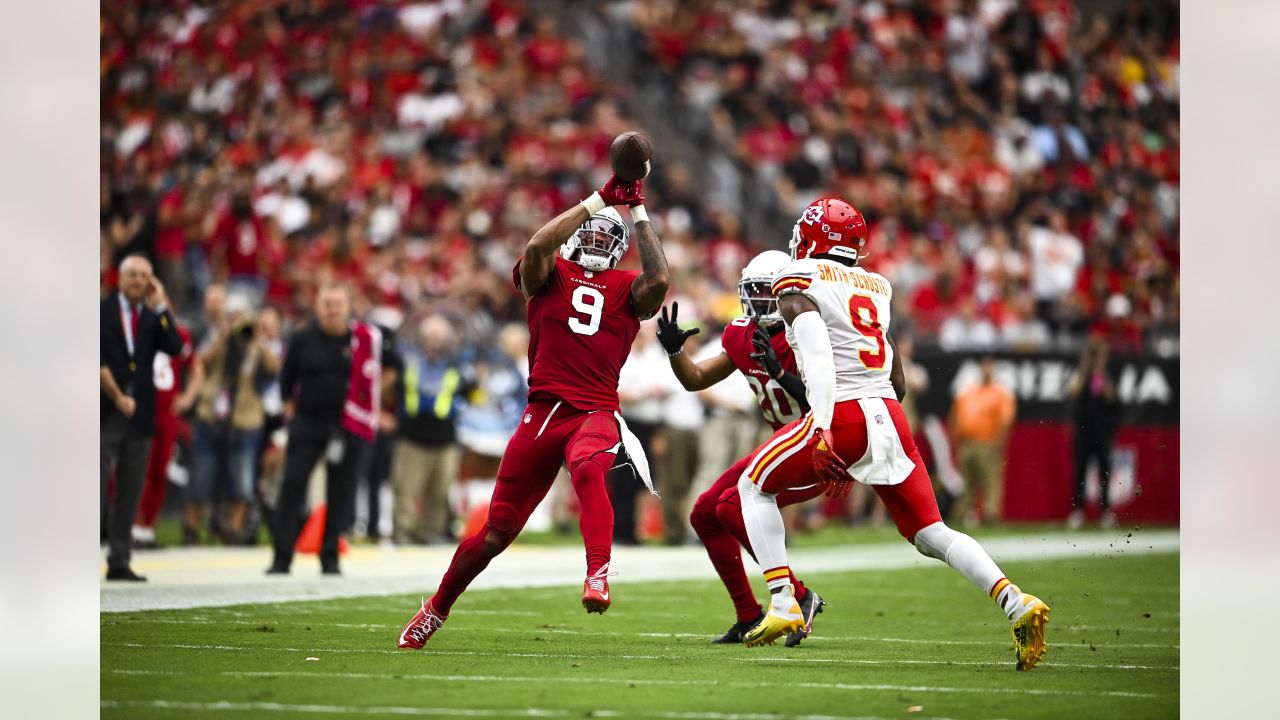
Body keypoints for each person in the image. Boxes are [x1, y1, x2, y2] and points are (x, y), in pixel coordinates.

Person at [734, 198, 1049, 672]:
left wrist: (820, 426)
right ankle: (1016, 601)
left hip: (843, 412)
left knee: (752, 485)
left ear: (816, 236)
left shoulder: (799, 279)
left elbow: (819, 355)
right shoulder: (876, 285)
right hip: (888, 412)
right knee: (930, 531)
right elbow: (897, 378)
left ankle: (782, 600)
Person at [397, 171, 669, 649]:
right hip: (543, 414)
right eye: (593, 230)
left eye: (610, 232)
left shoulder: (629, 289)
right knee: (494, 535)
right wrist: (600, 199)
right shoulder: (548, 274)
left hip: (595, 413)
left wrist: (639, 209)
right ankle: (435, 610)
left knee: (589, 468)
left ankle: (598, 573)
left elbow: (660, 277)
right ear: (577, 234)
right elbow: (541, 245)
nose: (600, 238)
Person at [657, 250, 825, 647]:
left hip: (821, 446)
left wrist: (781, 372)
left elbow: (825, 400)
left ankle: (797, 595)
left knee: (731, 506)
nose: (761, 302)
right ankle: (749, 614)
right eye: (755, 292)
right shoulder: (739, 333)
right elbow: (695, 380)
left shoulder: (810, 335)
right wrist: (675, 352)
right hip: (782, 446)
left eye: (769, 293)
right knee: (704, 513)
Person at [269, 284, 394, 575]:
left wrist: (374, 404)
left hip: (347, 424)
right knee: (292, 485)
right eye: (327, 304)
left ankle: (330, 558)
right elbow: (286, 381)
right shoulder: (302, 338)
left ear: (349, 306)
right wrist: (290, 411)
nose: (333, 310)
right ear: (318, 307)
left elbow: (391, 367)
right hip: (309, 422)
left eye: (338, 304)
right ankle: (281, 557)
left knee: (340, 491)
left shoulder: (365, 339)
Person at [100, 255, 185, 581]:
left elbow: (176, 348)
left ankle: (119, 560)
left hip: (141, 415)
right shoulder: (101, 310)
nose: (138, 280)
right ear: (120, 278)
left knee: (131, 489)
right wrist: (116, 396)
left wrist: (162, 306)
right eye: (132, 274)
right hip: (105, 410)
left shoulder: (153, 316)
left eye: (144, 275)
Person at [189, 296, 279, 544]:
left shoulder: (255, 343)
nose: (238, 323)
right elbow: (200, 361)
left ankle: (232, 530)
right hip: (211, 415)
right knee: (201, 477)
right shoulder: (217, 336)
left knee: (242, 481)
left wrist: (257, 337)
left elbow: (273, 367)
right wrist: (223, 335)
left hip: (245, 419)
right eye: (233, 316)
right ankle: (191, 530)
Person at [391, 316, 465, 545]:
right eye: (431, 336)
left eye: (439, 337)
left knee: (440, 490)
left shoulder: (456, 366)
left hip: (445, 437)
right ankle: (402, 532)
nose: (434, 342)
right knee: (407, 488)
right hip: (413, 435)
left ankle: (433, 532)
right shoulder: (408, 362)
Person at [132, 320, 202, 549]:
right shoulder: (136, 325)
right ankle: (132, 527)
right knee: (137, 470)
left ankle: (147, 529)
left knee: (159, 471)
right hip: (141, 409)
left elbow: (195, 366)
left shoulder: (178, 332)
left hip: (167, 412)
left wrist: (188, 397)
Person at [948, 356, 1016, 526]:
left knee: (991, 480)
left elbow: (1006, 419)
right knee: (967, 482)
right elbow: (956, 414)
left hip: (987, 442)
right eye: (984, 366)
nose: (986, 370)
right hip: (967, 443)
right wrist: (956, 438)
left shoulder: (1000, 392)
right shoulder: (970, 390)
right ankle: (961, 513)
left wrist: (999, 440)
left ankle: (991, 514)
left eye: (990, 367)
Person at [1067, 336, 1119, 529]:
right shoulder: (1081, 374)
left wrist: (1100, 371)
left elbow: (1110, 396)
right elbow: (1073, 392)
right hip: (1083, 432)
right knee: (1079, 472)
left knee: (1104, 471)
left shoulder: (1107, 374)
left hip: (1102, 432)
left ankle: (1105, 511)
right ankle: (1078, 511)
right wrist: (1085, 367)